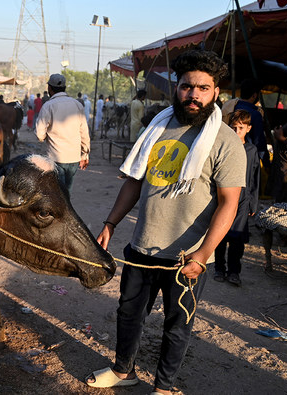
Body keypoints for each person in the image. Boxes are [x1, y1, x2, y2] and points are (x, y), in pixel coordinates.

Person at [86, 50, 246, 394]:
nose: (194, 94)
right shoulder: (159, 125)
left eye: (203, 88)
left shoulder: (226, 142)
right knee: (128, 315)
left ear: (216, 92)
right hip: (142, 246)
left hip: (186, 258)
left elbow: (229, 203)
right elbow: (134, 181)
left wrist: (203, 255)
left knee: (177, 325)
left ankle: (164, 386)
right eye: (188, 86)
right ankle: (123, 370)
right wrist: (111, 223)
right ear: (178, 87)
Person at [214, 110, 260, 286]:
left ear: (248, 128)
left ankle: (234, 272)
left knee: (237, 238)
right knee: (220, 233)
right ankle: (219, 268)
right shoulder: (224, 146)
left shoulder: (251, 150)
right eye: (233, 127)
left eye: (240, 127)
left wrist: (253, 203)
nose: (236, 131)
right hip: (223, 196)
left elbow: (255, 178)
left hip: (243, 199)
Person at [35, 73, 90, 194]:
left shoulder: (48, 106)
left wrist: (45, 136)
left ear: (50, 88)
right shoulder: (77, 104)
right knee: (67, 192)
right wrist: (85, 154)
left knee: (57, 193)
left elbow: (39, 135)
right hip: (74, 158)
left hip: (56, 158)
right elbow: (84, 132)